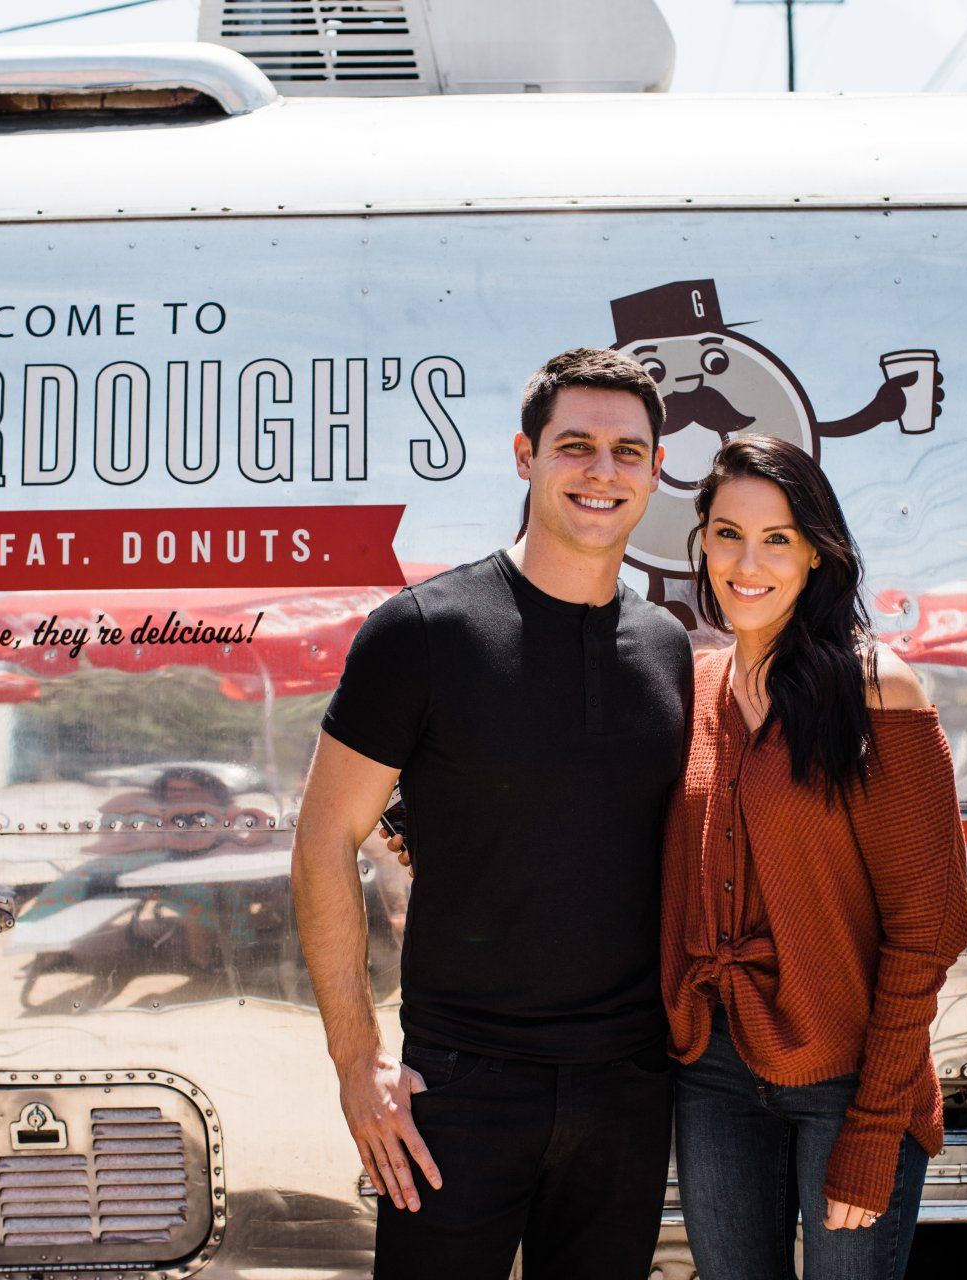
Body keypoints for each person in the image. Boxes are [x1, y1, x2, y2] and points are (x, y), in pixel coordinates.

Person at [291, 347, 694, 1280]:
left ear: (655, 472)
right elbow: (323, 839)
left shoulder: (667, 646)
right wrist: (360, 1066)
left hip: (627, 1090)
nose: (603, 472)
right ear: (525, 456)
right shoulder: (425, 630)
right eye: (576, 446)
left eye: (628, 452)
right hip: (459, 1088)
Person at [661, 435, 967, 1280]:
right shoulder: (690, 689)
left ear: (814, 554)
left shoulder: (878, 689)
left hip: (848, 1078)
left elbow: (929, 926)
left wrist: (875, 1129)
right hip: (715, 1077)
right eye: (727, 534)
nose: (747, 561)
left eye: (776, 538)